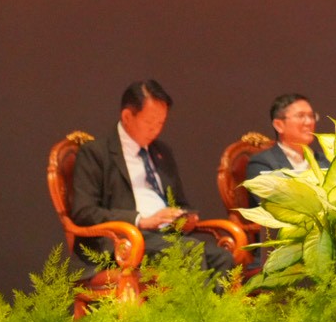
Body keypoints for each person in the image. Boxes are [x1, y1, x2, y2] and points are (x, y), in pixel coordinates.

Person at [70, 79, 234, 274]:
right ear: (127, 116)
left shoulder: (161, 152)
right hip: (125, 241)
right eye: (149, 122)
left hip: (167, 237)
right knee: (188, 252)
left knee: (223, 259)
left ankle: (211, 297)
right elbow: (84, 212)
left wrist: (185, 217)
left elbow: (180, 202)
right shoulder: (96, 153)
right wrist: (141, 220)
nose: (156, 130)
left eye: (161, 123)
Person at [245, 93, 330, 188]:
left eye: (312, 116)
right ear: (279, 125)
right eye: (300, 116)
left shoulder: (327, 162)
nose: (309, 122)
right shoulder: (262, 163)